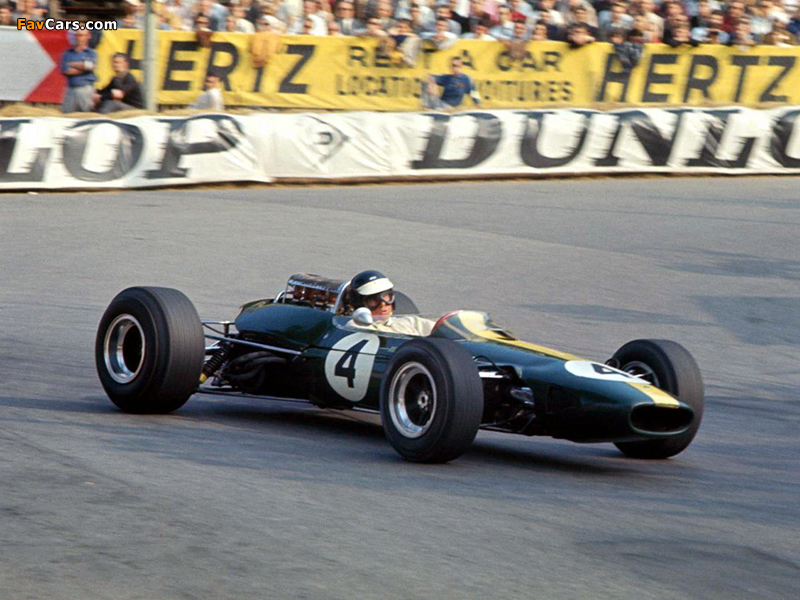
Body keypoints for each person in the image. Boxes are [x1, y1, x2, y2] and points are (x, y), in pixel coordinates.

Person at [347, 270, 435, 337]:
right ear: (360, 304)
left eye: (386, 297)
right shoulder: (356, 328)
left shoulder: (410, 323)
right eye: (373, 300)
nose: (383, 304)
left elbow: (439, 328)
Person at [61, 29, 97, 114]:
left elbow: (90, 66)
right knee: (67, 115)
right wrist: (83, 67)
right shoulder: (68, 53)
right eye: (77, 35)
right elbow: (66, 71)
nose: (80, 38)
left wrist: (72, 64)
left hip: (85, 88)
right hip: (71, 89)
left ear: (88, 36)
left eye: (82, 35)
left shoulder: (91, 53)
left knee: (87, 114)